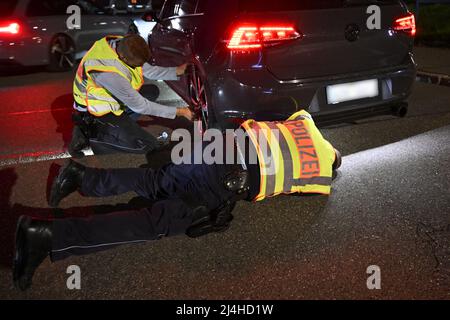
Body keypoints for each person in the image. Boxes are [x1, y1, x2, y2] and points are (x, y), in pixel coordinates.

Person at [13, 110, 342, 291]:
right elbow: (312, 185)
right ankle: (48, 237)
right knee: (154, 222)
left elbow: (293, 117)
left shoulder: (307, 123)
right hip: (227, 177)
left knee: (157, 181)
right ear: (332, 162)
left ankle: (80, 178)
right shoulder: (323, 175)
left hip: (218, 145)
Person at [69, 34, 194, 157]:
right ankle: (92, 133)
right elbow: (140, 106)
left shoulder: (123, 44)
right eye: (137, 65)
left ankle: (122, 124)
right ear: (123, 58)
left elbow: (149, 70)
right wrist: (181, 111)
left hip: (110, 98)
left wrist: (177, 70)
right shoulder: (108, 73)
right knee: (149, 146)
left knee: (151, 91)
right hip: (96, 110)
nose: (140, 67)